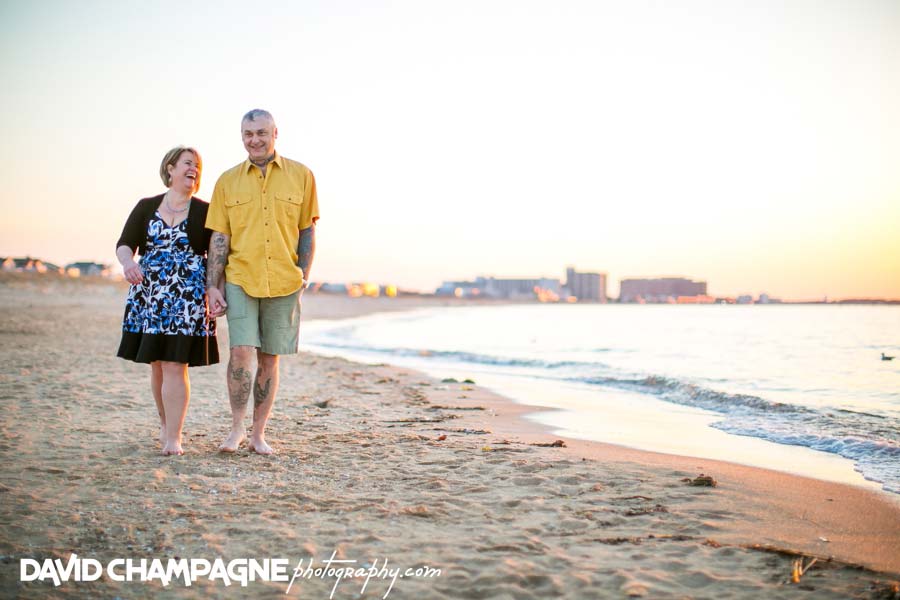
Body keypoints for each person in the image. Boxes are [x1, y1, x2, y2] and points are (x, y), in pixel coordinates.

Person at [206, 109, 319, 455]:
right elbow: (219, 237)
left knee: (270, 359)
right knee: (241, 353)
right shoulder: (227, 181)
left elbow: (307, 231)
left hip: (285, 280)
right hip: (241, 276)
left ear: (275, 133)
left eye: (260, 132)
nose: (254, 139)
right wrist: (214, 284)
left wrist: (304, 274)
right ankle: (236, 429)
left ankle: (258, 434)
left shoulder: (302, 176)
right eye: (247, 134)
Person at [116, 146, 220, 456]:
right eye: (188, 163)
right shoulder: (146, 206)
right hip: (149, 296)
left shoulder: (205, 210)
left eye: (198, 166)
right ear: (171, 168)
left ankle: (174, 437)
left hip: (187, 298)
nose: (194, 169)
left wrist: (215, 289)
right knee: (158, 365)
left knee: (176, 364)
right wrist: (128, 264)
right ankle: (165, 424)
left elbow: (216, 256)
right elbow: (125, 244)